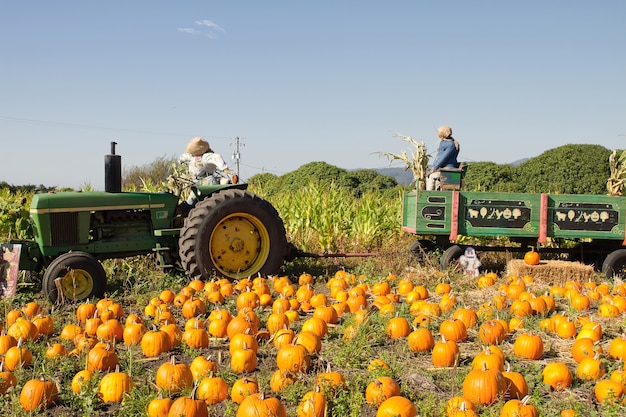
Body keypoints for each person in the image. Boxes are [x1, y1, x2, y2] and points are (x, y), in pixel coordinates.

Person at [178, 137, 233, 210]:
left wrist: (225, 168)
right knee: (190, 202)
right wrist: (180, 161)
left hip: (207, 181)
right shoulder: (191, 156)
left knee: (210, 203)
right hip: (196, 182)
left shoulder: (206, 157)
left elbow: (217, 158)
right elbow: (182, 158)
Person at [426, 125, 460, 190]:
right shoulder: (444, 142)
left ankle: (429, 194)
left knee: (432, 176)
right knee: (429, 176)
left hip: (448, 169)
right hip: (442, 168)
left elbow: (443, 158)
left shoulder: (451, 145)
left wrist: (434, 168)